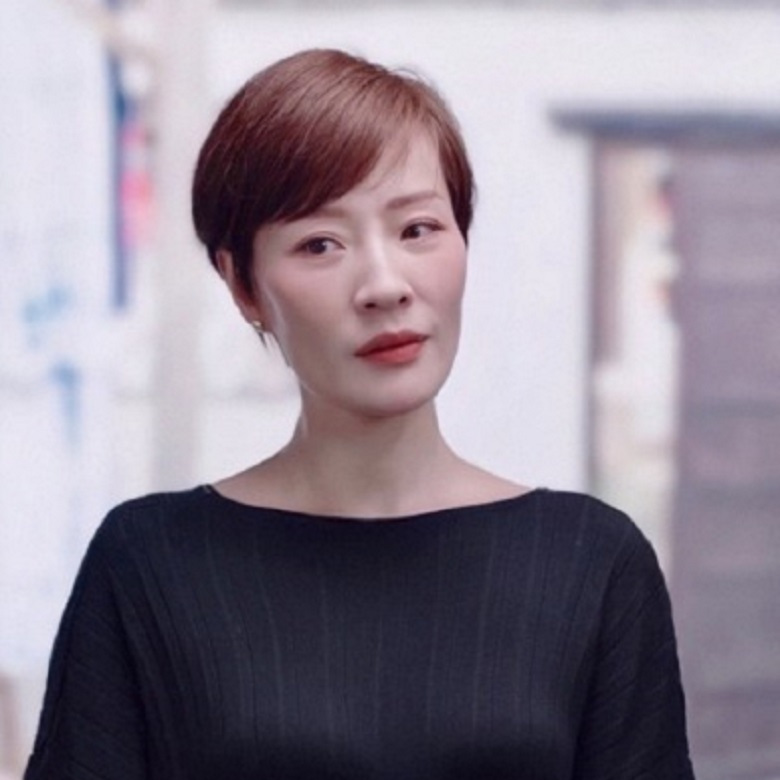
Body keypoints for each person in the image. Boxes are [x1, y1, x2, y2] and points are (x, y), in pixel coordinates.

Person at [24, 49, 695, 779]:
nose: (384, 285)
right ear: (242, 286)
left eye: (417, 230)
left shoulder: (593, 563)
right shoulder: (149, 563)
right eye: (321, 244)